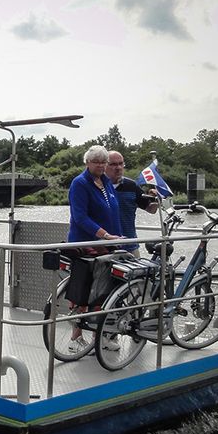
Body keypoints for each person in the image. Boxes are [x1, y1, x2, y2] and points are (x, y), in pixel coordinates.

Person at [65, 145, 123, 351]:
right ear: (87, 163)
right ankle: (77, 338)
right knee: (85, 290)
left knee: (103, 291)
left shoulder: (106, 182)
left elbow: (112, 213)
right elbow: (79, 217)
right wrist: (104, 235)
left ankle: (99, 336)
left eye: (103, 161)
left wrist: (118, 239)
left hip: (106, 245)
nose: (100, 165)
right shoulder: (80, 183)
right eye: (96, 161)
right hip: (86, 245)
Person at [105, 151, 158, 257]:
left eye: (121, 164)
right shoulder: (97, 186)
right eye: (113, 164)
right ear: (104, 165)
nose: (118, 167)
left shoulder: (132, 186)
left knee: (138, 273)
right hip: (104, 246)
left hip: (129, 245)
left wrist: (156, 198)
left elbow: (151, 209)